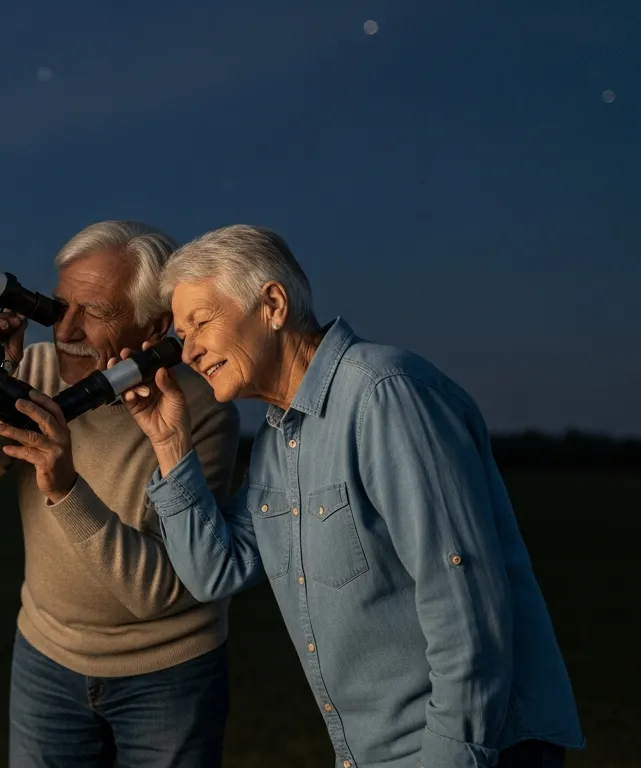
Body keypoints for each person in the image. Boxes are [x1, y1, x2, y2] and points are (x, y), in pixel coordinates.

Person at [115, 224, 584, 768]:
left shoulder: (385, 394)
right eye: (180, 334)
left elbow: (463, 600)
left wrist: (451, 756)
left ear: (272, 304)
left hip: (472, 749)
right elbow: (213, 572)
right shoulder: (276, 441)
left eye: (200, 323)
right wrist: (170, 442)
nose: (188, 352)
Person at [0, 220, 242, 768]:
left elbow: (159, 592)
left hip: (168, 669)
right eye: (59, 305)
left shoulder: (200, 412)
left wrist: (65, 488)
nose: (66, 329)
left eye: (96, 312)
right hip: (47, 657)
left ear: (155, 325)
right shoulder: (30, 373)